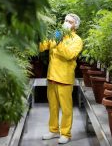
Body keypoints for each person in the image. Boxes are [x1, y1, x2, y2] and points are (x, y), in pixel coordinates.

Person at [39, 13, 83, 144]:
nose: (67, 23)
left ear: (75, 25)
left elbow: (69, 55)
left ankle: (65, 133)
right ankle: (53, 131)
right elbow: (42, 47)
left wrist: (59, 41)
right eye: (65, 21)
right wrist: (40, 33)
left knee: (66, 109)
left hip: (64, 78)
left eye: (70, 22)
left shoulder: (77, 40)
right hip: (52, 76)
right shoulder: (56, 34)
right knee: (53, 107)